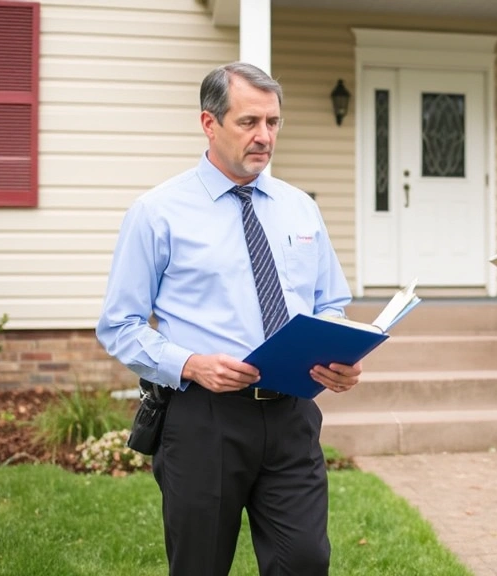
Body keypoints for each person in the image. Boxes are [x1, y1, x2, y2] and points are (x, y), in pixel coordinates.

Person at [96, 61, 361, 576]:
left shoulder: (300, 207)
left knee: (305, 561)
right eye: (249, 123)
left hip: (292, 416)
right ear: (209, 123)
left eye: (273, 122)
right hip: (203, 420)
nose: (264, 136)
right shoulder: (157, 212)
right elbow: (119, 325)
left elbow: (330, 304)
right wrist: (192, 364)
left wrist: (340, 358)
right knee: (200, 566)